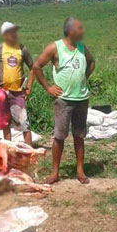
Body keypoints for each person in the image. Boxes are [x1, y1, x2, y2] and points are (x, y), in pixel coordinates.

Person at [31, 17, 95, 184]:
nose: (82, 31)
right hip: (63, 100)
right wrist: (48, 87)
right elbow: (37, 66)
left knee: (79, 135)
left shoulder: (82, 48)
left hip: (81, 98)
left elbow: (91, 62)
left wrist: (84, 78)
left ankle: (80, 171)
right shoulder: (55, 47)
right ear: (70, 30)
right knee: (59, 136)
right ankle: (55, 172)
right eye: (79, 28)